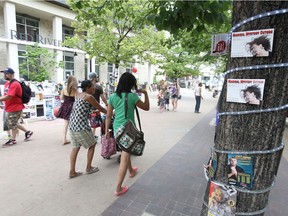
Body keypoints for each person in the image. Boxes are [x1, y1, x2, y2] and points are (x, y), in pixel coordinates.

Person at [105, 72, 150, 196]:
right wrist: (145, 94)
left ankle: (131, 171)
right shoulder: (133, 97)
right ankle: (118, 188)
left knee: (126, 150)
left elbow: (108, 116)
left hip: (117, 130)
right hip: (129, 131)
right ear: (131, 84)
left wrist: (106, 132)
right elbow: (146, 107)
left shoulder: (113, 96)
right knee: (125, 156)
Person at [68, 80, 107, 179]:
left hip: (72, 125)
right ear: (87, 88)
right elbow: (101, 108)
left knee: (75, 147)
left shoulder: (79, 95)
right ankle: (89, 168)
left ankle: (72, 172)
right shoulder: (89, 97)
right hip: (81, 126)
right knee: (92, 144)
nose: (94, 88)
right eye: (93, 87)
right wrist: (111, 112)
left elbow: (85, 109)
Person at [0, 67, 33, 147]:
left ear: (11, 74)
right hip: (9, 106)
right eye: (4, 73)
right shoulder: (8, 83)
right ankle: (28, 132)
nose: (5, 75)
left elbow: (9, 96)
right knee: (13, 122)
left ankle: (13, 140)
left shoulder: (15, 84)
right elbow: (6, 95)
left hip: (15, 107)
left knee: (12, 124)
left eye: (6, 74)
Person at [57, 76, 78, 145]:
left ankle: (64, 139)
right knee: (74, 123)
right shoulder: (75, 90)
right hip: (72, 107)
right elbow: (77, 99)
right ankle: (74, 138)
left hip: (65, 106)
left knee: (66, 123)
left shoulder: (64, 89)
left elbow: (61, 98)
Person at [88, 72, 108, 139]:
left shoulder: (86, 86)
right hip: (95, 107)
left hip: (87, 107)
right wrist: (107, 104)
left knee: (89, 122)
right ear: (94, 78)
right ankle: (92, 136)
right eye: (96, 77)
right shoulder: (98, 87)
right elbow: (103, 97)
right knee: (94, 123)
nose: (97, 78)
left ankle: (90, 135)